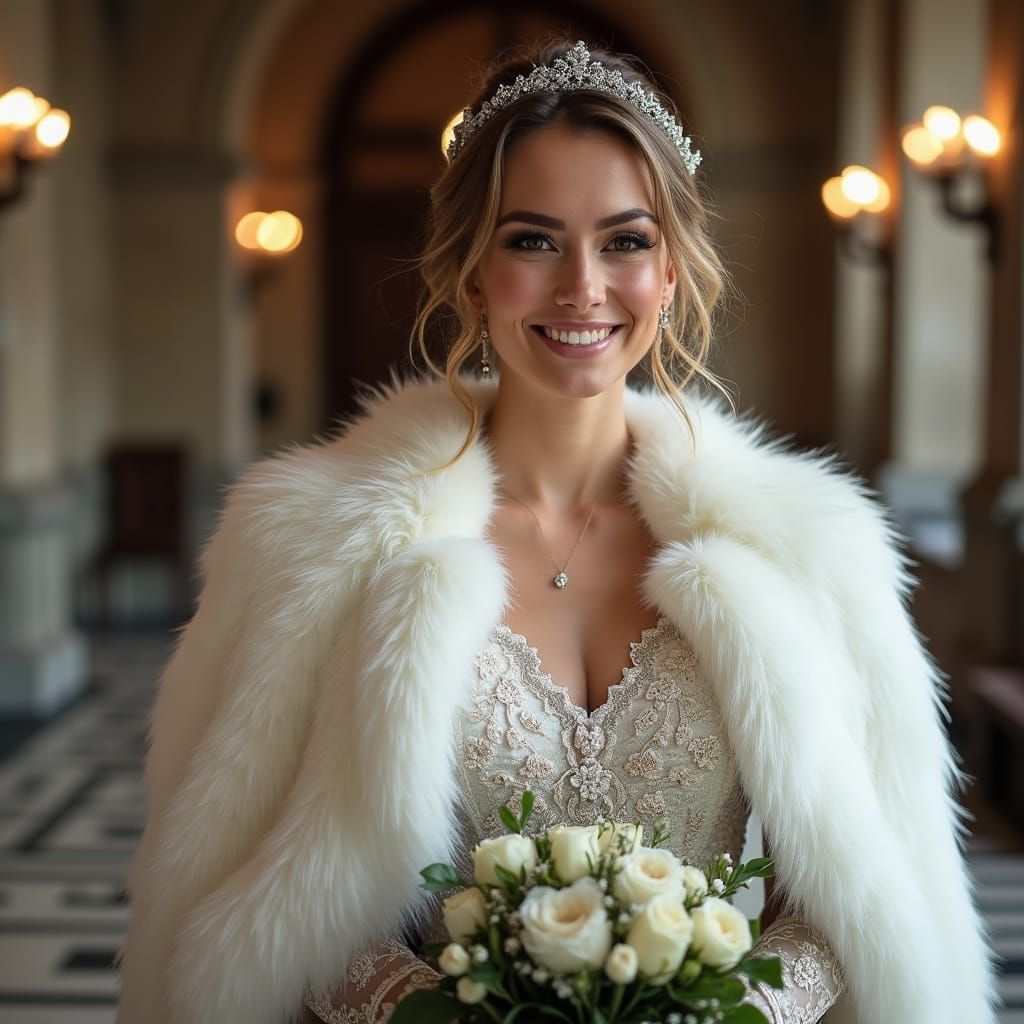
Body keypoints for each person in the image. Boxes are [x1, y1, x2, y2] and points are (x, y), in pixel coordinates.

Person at [115, 37, 997, 1024]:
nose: (582, 285)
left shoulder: (807, 554)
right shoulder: (314, 547)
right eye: (532, 239)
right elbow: (257, 892)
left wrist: (720, 1012)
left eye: (624, 240)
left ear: (669, 273)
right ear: (471, 274)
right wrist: (435, 1013)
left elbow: (859, 897)